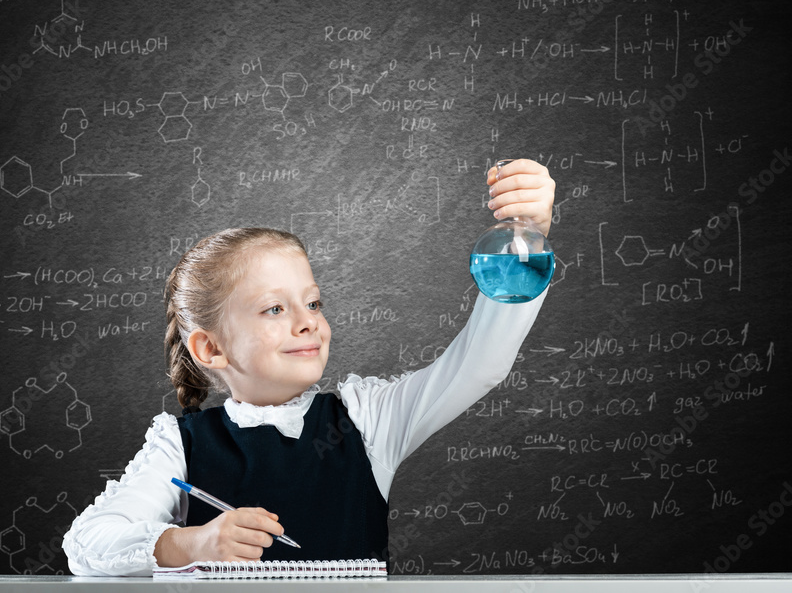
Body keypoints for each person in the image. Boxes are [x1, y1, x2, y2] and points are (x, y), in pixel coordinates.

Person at [63, 159, 555, 576]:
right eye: (275, 309)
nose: (308, 324)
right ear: (211, 349)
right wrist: (191, 544)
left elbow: (479, 364)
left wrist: (527, 240)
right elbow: (87, 544)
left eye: (314, 303)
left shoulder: (366, 419)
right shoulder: (179, 444)